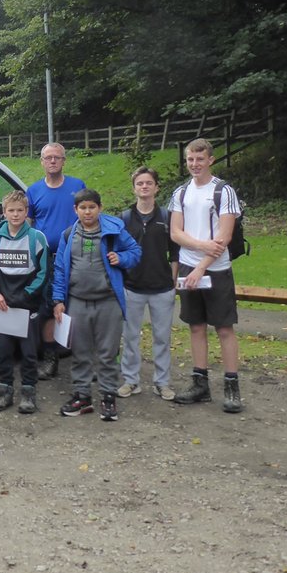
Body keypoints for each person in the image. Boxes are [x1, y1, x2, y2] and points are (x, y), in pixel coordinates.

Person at [168, 138, 244, 413]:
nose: (194, 164)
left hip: (216, 269)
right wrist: (199, 249)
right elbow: (175, 232)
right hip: (189, 267)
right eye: (190, 159)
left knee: (224, 327)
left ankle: (232, 386)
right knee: (196, 325)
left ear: (210, 160)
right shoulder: (181, 193)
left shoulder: (224, 191)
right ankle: (200, 383)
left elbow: (224, 237)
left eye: (199, 159)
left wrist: (202, 265)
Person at [51, 188, 141, 422]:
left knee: (107, 353)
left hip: (108, 300)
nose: (88, 211)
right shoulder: (68, 234)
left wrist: (121, 259)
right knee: (80, 352)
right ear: (76, 210)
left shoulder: (114, 231)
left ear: (99, 208)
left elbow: (135, 251)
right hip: (78, 301)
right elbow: (60, 268)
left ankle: (108, 398)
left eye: (92, 207)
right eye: (83, 208)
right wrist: (58, 300)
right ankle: (82, 397)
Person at [0, 190, 49, 414]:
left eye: (20, 210)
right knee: (3, 352)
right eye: (11, 210)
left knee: (29, 353)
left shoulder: (36, 238)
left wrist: (24, 298)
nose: (15, 214)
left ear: (26, 212)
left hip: (26, 306)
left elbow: (42, 274)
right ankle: (5, 392)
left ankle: (29, 394)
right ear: (4, 212)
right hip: (3, 306)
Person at [117, 167, 179, 401]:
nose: (144, 187)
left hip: (162, 288)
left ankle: (162, 383)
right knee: (130, 337)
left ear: (156, 187)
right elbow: (119, 252)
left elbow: (175, 253)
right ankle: (131, 381)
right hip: (132, 287)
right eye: (140, 183)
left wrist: (173, 281)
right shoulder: (124, 218)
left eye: (148, 183)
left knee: (162, 338)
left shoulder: (167, 217)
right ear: (134, 188)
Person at [26, 142, 86, 380]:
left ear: (64, 161)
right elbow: (28, 226)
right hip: (47, 261)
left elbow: (88, 216)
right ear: (41, 162)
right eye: (48, 158)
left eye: (57, 157)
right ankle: (51, 359)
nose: (52, 161)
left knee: (79, 308)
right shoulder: (33, 191)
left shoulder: (77, 186)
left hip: (76, 258)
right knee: (50, 310)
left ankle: (82, 358)